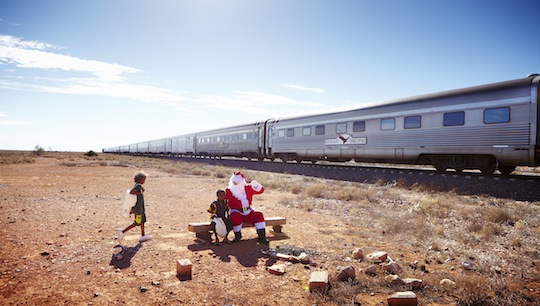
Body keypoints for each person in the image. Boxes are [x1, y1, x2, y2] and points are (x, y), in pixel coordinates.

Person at [225, 171, 269, 244]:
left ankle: (262, 237)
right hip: (236, 211)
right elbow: (223, 199)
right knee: (235, 217)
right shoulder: (229, 190)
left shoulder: (248, 188)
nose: (235, 184)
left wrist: (256, 185)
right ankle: (237, 236)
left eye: (237, 182)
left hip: (248, 211)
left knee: (259, 215)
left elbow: (261, 191)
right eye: (234, 182)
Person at [118, 171, 153, 243]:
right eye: (144, 179)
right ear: (140, 179)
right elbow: (131, 192)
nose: (144, 181)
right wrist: (140, 192)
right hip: (138, 209)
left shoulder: (137, 185)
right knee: (137, 222)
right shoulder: (138, 186)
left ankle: (143, 235)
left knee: (142, 221)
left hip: (140, 208)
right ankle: (122, 231)